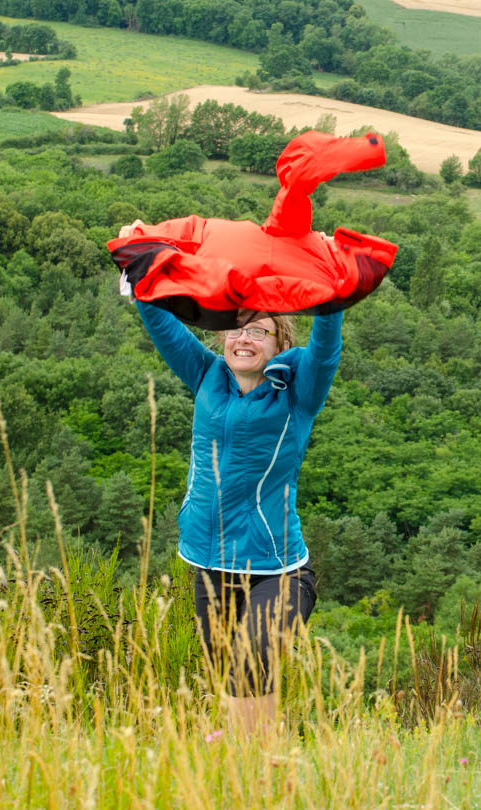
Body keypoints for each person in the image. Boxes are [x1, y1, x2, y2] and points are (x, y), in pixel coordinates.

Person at [120, 220, 343, 732]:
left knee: (252, 664)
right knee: (231, 679)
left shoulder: (297, 391)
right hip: (209, 561)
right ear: (223, 337)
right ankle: (244, 768)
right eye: (237, 328)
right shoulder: (207, 377)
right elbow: (162, 323)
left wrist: (332, 288)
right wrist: (140, 265)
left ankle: (254, 762)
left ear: (277, 342)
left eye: (259, 330)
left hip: (278, 569)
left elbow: (326, 347)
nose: (245, 338)